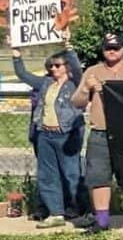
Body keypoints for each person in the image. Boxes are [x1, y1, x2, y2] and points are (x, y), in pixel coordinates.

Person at [70, 32, 123, 235]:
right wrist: (86, 88)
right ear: (103, 50)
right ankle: (102, 221)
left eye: (116, 48)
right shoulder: (92, 71)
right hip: (101, 132)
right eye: (108, 48)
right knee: (98, 177)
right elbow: (77, 102)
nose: (112, 51)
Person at [11, 33, 83, 227]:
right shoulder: (45, 83)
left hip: (67, 134)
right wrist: (16, 54)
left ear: (66, 66)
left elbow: (77, 68)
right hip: (45, 134)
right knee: (48, 175)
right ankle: (56, 213)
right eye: (50, 66)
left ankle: (77, 209)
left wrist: (68, 45)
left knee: (71, 173)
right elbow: (23, 75)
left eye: (57, 65)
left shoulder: (75, 83)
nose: (53, 69)